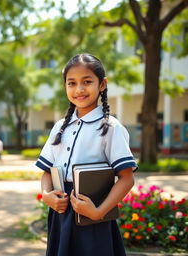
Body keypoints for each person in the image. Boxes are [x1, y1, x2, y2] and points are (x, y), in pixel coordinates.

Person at [35, 53, 138, 256]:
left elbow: (127, 179)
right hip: (61, 213)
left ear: (102, 84)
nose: (79, 89)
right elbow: (46, 171)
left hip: (93, 216)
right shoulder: (59, 128)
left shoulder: (110, 127)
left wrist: (98, 212)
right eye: (71, 83)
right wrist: (47, 196)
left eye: (87, 82)